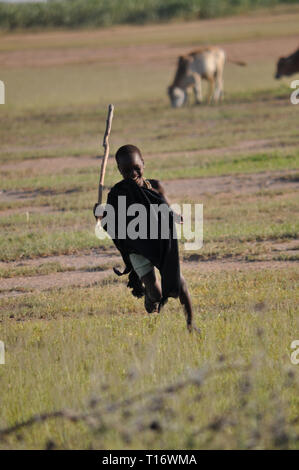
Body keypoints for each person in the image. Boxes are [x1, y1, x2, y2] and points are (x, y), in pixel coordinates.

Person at [94, 144, 198, 332]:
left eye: (136, 168)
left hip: (158, 242)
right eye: (126, 170)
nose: (133, 173)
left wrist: (175, 216)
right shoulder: (117, 194)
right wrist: (100, 215)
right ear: (119, 170)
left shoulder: (155, 186)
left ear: (143, 163)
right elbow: (110, 223)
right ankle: (150, 297)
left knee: (180, 283)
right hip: (136, 247)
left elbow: (164, 207)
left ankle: (191, 324)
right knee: (155, 292)